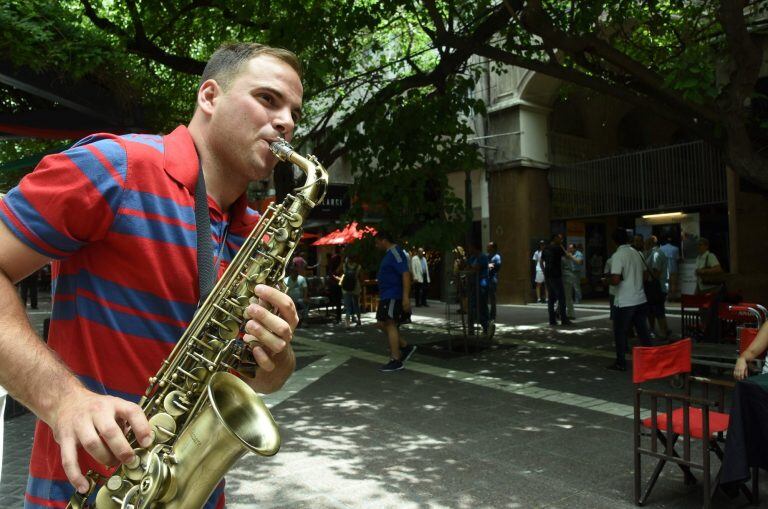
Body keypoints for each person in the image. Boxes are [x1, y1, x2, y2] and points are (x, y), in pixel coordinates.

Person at [0, 43, 301, 507]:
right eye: (267, 98)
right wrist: (63, 400)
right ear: (209, 96)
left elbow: (250, 378)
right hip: (89, 493)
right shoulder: (116, 167)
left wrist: (275, 362)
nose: (286, 122)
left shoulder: (257, 234)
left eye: (294, 112)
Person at [608, 228, 652, 371]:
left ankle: (621, 362)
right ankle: (650, 359)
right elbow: (646, 276)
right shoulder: (637, 253)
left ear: (614, 241)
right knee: (643, 330)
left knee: (620, 331)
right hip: (640, 298)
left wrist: (605, 280)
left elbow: (615, 280)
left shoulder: (618, 255)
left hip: (625, 301)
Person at [374, 231, 415, 372]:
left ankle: (396, 359)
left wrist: (405, 297)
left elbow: (405, 273)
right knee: (382, 323)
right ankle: (404, 346)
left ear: (384, 240)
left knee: (390, 323)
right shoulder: (389, 254)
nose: (376, 245)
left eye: (377, 242)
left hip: (393, 295)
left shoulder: (396, 253)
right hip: (387, 295)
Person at [541, 234, 570, 326]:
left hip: (548, 275)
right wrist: (561, 246)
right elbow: (567, 256)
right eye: (560, 238)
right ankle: (564, 319)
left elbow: (541, 261)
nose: (561, 240)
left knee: (551, 298)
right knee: (561, 298)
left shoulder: (545, 248)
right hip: (556, 275)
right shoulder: (558, 248)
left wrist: (544, 271)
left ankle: (552, 320)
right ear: (555, 238)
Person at [645, 236, 669, 339]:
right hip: (655, 286)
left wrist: (645, 276)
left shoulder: (656, 254)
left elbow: (656, 272)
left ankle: (664, 332)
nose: (644, 245)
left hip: (657, 287)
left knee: (658, 310)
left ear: (650, 243)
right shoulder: (654, 253)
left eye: (646, 243)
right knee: (652, 310)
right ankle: (654, 330)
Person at [466, 241, 491, 336]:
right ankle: (472, 328)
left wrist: (471, 268)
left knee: (481, 306)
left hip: (481, 285)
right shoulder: (472, 258)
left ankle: (486, 326)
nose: (469, 249)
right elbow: (468, 268)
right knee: (472, 306)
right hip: (473, 285)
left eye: (471, 247)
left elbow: (476, 268)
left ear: (475, 248)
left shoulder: (483, 257)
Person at [341, 253, 363, 327]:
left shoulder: (344, 266)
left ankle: (347, 324)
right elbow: (361, 278)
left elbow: (338, 272)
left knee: (348, 306)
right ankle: (359, 320)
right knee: (356, 304)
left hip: (346, 288)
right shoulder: (358, 266)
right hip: (356, 287)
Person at [562, 243, 581, 320]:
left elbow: (579, 262)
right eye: (569, 248)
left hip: (573, 273)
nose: (570, 249)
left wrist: (570, 256)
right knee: (566, 295)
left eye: (571, 248)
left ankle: (577, 300)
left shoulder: (575, 254)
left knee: (575, 288)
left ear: (574, 248)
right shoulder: (565, 256)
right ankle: (560, 311)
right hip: (568, 274)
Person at [327, 246, 343, 323]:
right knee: (337, 300)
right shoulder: (335, 259)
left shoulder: (341, 258)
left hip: (339, 281)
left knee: (338, 300)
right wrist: (335, 278)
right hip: (335, 282)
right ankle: (338, 317)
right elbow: (331, 272)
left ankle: (338, 317)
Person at [487, 241, 501, 322]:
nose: (487, 248)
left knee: (492, 298)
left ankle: (493, 315)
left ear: (493, 248)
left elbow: (496, 265)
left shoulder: (497, 257)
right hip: (486, 279)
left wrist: (486, 265)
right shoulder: (487, 256)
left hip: (492, 279)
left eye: (489, 247)